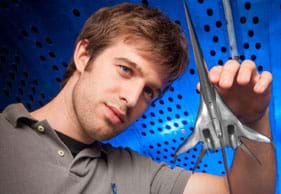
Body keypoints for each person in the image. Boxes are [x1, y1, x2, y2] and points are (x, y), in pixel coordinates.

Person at [0, 2, 276, 194]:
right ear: (84, 56)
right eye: (125, 69)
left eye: (149, 91)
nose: (132, 98)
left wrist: (253, 118)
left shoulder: (134, 173)